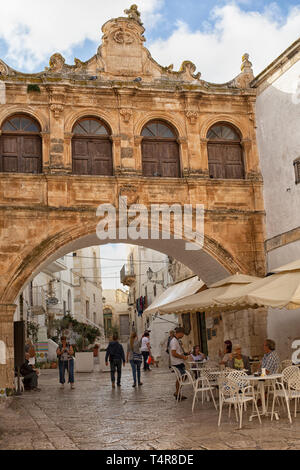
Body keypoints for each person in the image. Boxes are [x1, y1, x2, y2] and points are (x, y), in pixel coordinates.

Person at [170, 326, 190, 400]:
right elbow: (173, 353)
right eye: (183, 334)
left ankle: (177, 393)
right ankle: (177, 393)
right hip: (177, 362)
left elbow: (178, 352)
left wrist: (185, 354)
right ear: (180, 333)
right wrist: (183, 357)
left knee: (182, 377)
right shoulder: (174, 341)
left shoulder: (176, 340)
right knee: (182, 377)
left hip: (179, 362)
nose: (183, 335)